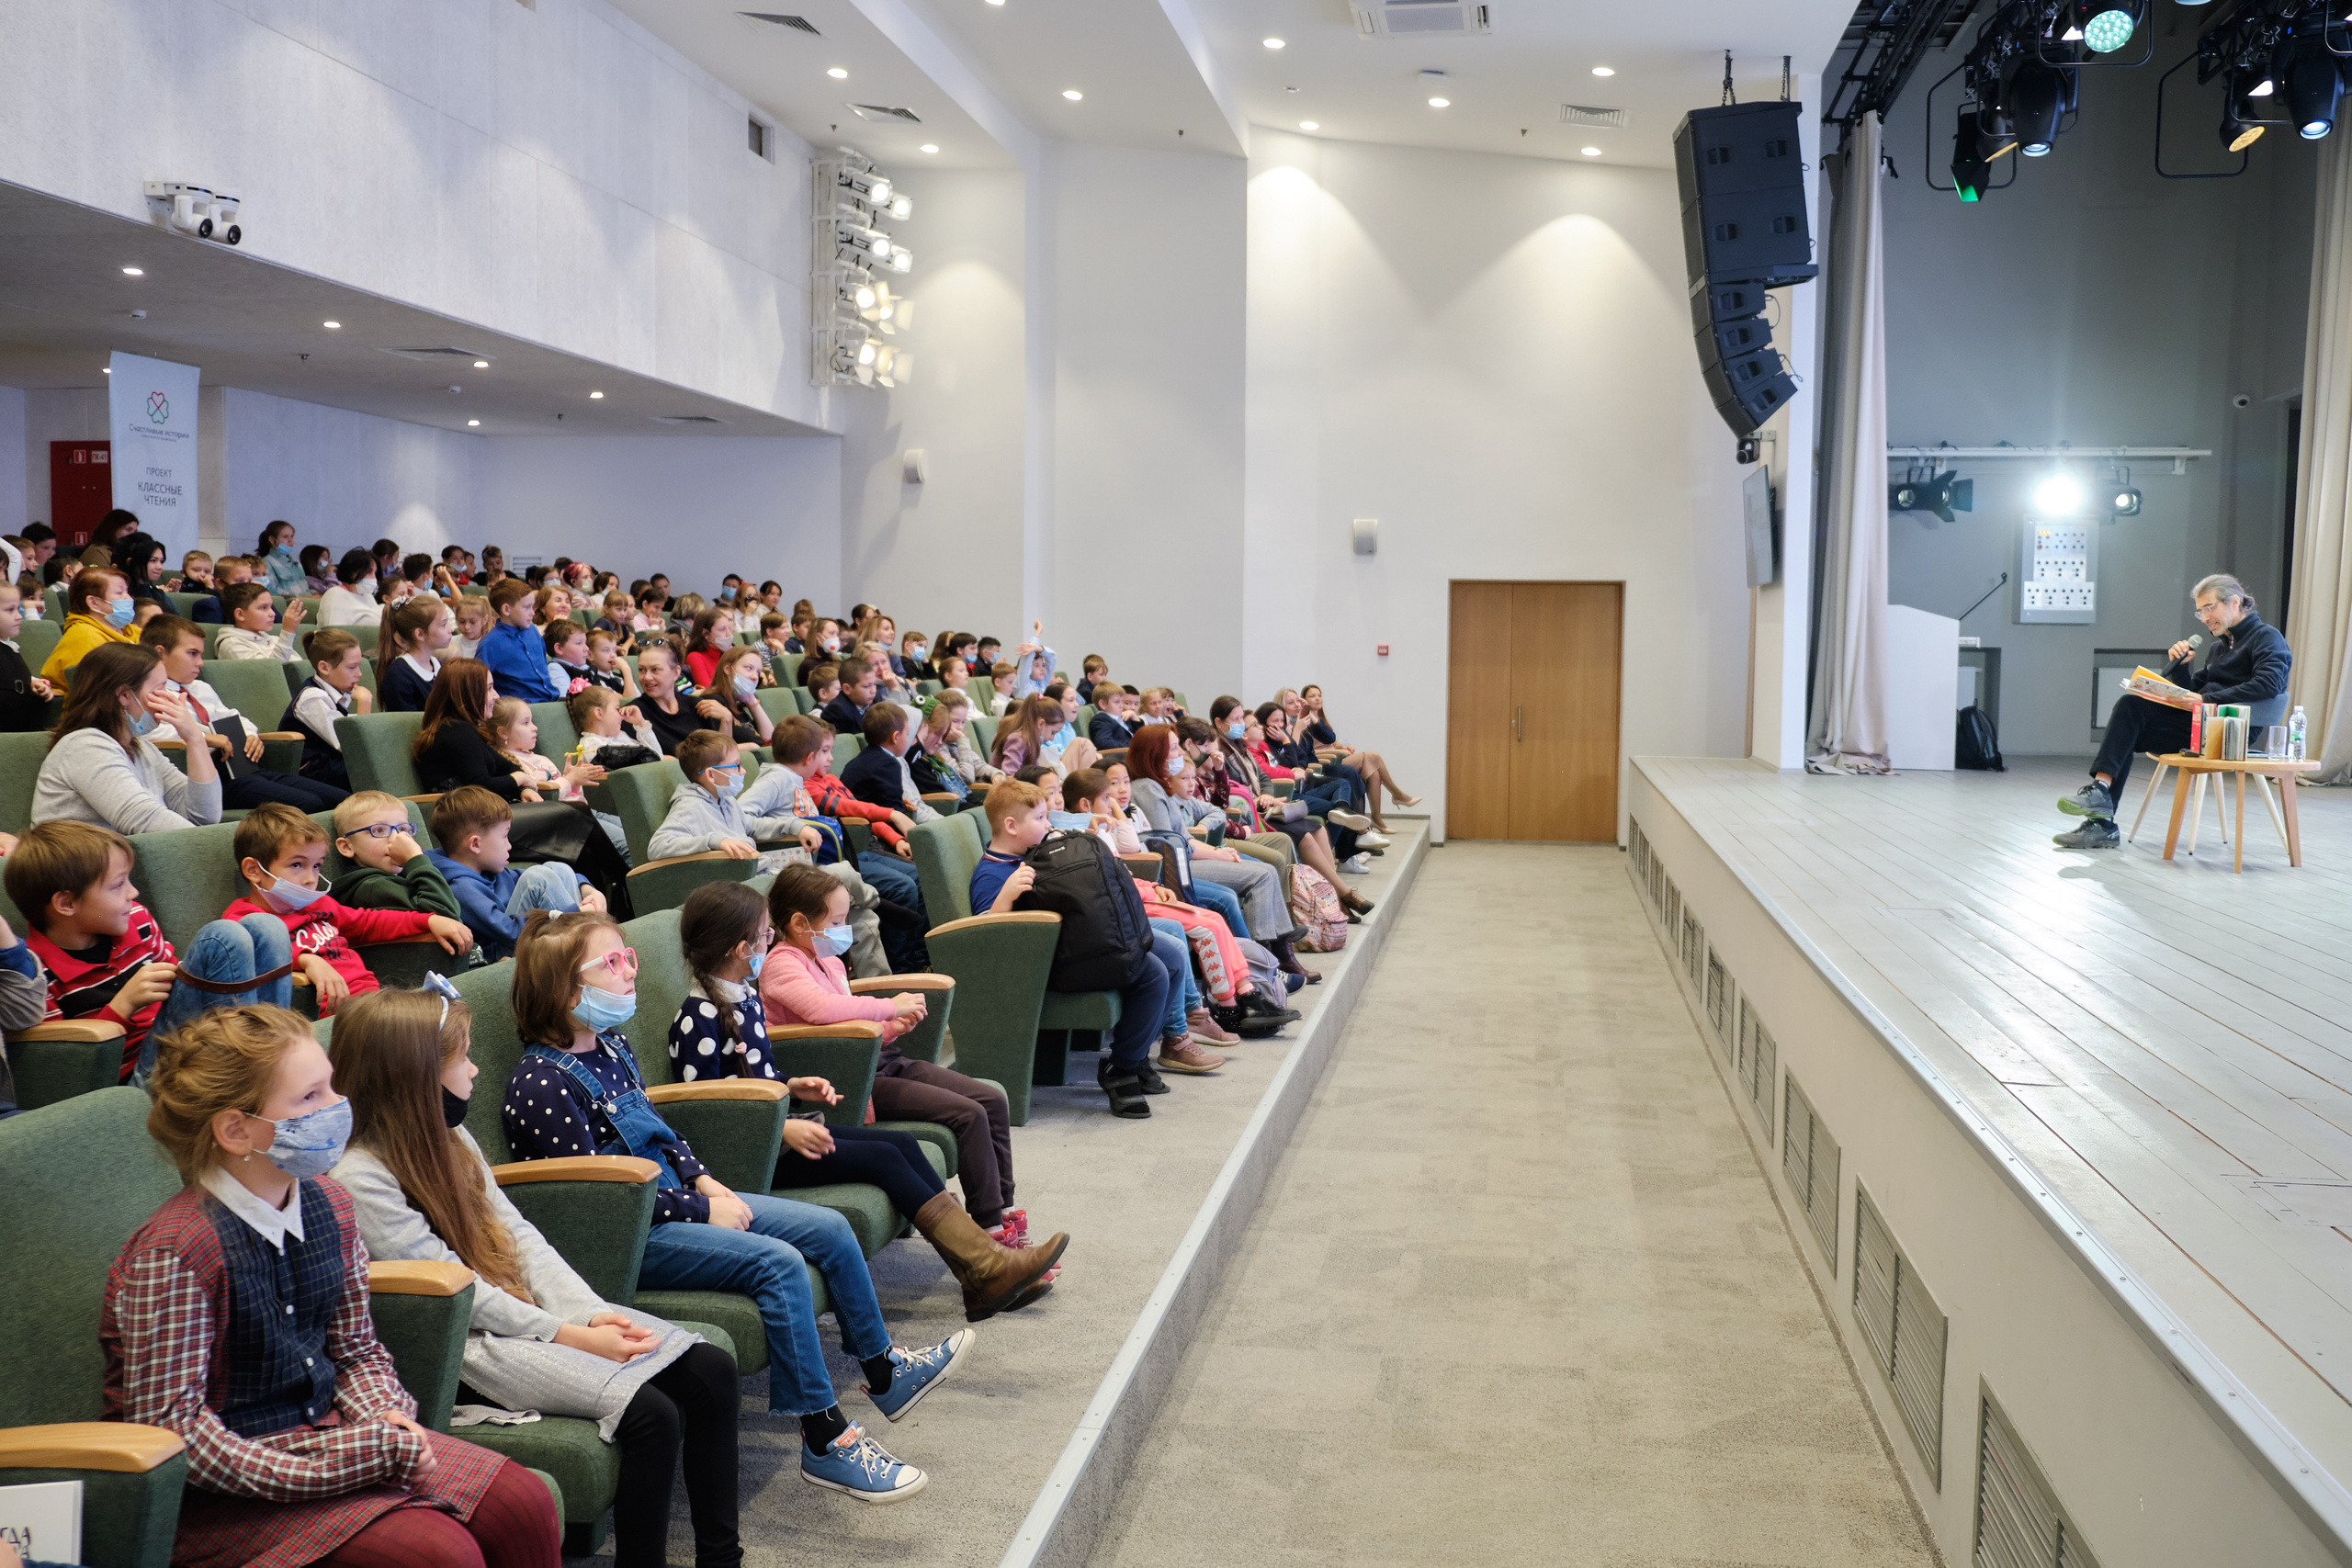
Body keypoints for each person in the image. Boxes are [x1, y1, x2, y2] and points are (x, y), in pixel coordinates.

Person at [501, 908, 967, 1500]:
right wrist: (699, 1212)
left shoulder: (610, 1046)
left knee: (827, 1228)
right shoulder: (540, 1083)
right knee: (778, 1262)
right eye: (612, 963)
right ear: (564, 990)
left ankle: (883, 1369)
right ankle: (825, 1438)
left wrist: (706, 1183)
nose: (629, 973)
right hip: (631, 1235)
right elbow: (589, 1203)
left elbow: (660, 1132)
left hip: (674, 1200)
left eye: (630, 958)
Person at [110, 1004, 562, 1568]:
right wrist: (355, 1459)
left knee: (523, 1502)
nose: (337, 1107)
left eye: (329, 1087)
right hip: (225, 1494)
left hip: (336, 1439)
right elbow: (178, 1437)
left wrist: (385, 1419)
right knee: (439, 1554)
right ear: (236, 1130)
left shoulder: (331, 1205)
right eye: (309, 1098)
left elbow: (356, 1351)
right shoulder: (173, 1253)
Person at [327, 987, 740, 1568]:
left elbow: (518, 1236)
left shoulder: (452, 1137)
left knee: (712, 1370)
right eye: (462, 1058)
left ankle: (722, 1558)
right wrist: (571, 1336)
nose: (474, 1069)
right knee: (651, 1414)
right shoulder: (359, 1176)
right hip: (469, 1345)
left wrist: (588, 1312)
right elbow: (456, 1290)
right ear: (415, 1076)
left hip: (527, 1316)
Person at [672, 879, 1066, 1318]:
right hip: (755, 1154)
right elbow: (704, 1111)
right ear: (738, 948)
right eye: (765, 934)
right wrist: (781, 1125)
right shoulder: (697, 1017)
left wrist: (794, 1083)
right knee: (885, 1158)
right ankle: (985, 1269)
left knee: (900, 1145)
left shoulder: (740, 998)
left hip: (776, 1133)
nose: (771, 941)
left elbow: (754, 1077)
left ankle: (985, 1271)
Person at [7, 820, 297, 1084]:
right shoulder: (36, 971)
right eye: (118, 885)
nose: (133, 893)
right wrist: (123, 1005)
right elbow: (63, 1061)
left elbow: (180, 990)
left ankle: (277, 1055)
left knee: (266, 925)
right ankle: (252, 1074)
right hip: (137, 1075)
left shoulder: (138, 919)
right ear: (66, 904)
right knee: (223, 936)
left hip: (186, 1044)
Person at [970, 778, 1170, 1118]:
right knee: (1153, 974)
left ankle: (1132, 1058)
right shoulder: (992, 873)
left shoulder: (1033, 856)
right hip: (1043, 968)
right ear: (1011, 826)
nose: (1048, 824)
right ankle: (1121, 1070)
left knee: (1169, 958)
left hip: (1073, 950)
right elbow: (981, 939)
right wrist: (1006, 896)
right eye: (1040, 819)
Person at [2054, 572, 2295, 849]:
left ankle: (2101, 817)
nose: (2205, 618)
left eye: (2209, 608)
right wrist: (2181, 668)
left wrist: (2206, 702)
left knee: (2127, 728)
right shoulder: (2219, 648)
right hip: (2201, 723)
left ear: (2235, 602)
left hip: (2231, 731)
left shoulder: (2266, 637)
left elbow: (2270, 683)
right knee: (2130, 707)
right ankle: (2100, 806)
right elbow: (2195, 690)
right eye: (2200, 611)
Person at [221, 804, 471, 1014]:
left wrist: (427, 921)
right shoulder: (244, 919)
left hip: (371, 999)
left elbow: (368, 922)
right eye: (297, 865)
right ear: (254, 870)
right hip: (330, 1017)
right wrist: (306, 961)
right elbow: (255, 960)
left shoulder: (320, 905)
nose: (311, 879)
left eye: (317, 866)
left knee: (450, 1016)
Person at [141, 615, 346, 812]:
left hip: (244, 767)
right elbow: (152, 737)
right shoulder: (149, 694)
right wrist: (207, 739)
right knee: (310, 804)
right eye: (192, 653)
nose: (200, 662)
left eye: (201, 655)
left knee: (342, 800)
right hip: (210, 778)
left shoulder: (200, 688)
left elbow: (235, 718)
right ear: (161, 653)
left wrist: (250, 735)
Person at [32, 641, 222, 833]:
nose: (169, 698)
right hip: (77, 861)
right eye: (160, 688)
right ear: (123, 695)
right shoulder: (84, 746)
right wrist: (216, 847)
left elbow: (204, 816)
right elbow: (142, 819)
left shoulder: (143, 749)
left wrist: (195, 739)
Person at [425, 787, 603, 964]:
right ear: (475, 844)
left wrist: (587, 890)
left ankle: (587, 944)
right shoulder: (461, 888)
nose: (509, 846)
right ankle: (588, 948)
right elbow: (509, 933)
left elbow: (544, 877)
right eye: (504, 837)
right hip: (501, 954)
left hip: (523, 938)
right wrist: (574, 913)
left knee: (557, 868)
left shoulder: (489, 870)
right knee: (538, 877)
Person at [328, 791, 465, 919]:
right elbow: (447, 916)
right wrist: (415, 859)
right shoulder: (372, 887)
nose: (395, 838)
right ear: (347, 847)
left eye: (402, 829)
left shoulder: (406, 874)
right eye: (379, 830)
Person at [279, 628, 372, 792]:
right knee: (372, 768)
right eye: (352, 667)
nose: (359, 674)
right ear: (324, 667)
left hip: (331, 763)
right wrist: (365, 704)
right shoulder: (313, 698)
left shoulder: (337, 692)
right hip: (311, 772)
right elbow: (351, 746)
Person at [41, 565, 138, 684]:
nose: (129, 599)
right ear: (93, 603)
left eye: (127, 591)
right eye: (119, 593)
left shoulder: (132, 631)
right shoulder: (84, 637)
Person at [477, 580, 559, 704]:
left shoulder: (532, 630)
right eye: (526, 607)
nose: (532, 613)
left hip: (551, 699)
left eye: (533, 606)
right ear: (506, 610)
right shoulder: (491, 643)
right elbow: (477, 683)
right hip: (521, 708)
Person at [377, 595, 452, 713]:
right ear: (420, 634)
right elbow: (407, 725)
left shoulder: (441, 666)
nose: (451, 629)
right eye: (443, 625)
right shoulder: (399, 675)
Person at [0, 581, 55, 733]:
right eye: (10, 610)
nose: (18, 616)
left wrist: (33, 684)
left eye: (18, 609)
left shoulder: (9, 647)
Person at [630, 638, 702, 756]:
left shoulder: (698, 706)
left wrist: (726, 720)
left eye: (655, 670)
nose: (647, 677)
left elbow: (723, 754)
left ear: (676, 672)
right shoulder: (633, 714)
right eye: (641, 670)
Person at [694, 645, 775, 748]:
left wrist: (751, 701)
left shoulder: (737, 703)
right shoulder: (713, 702)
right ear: (728, 669)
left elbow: (770, 741)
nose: (755, 677)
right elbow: (718, 750)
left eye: (758, 672)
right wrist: (752, 747)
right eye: (749, 668)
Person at [213, 581, 311, 663]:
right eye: (263, 607)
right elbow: (271, 673)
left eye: (271, 607)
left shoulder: (274, 640)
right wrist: (288, 632)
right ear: (240, 615)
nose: (272, 614)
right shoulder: (232, 645)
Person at [258, 519, 307, 598]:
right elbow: (271, 590)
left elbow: (305, 589)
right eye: (285, 537)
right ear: (272, 540)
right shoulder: (266, 562)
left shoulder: (296, 563)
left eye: (292, 536)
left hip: (306, 603)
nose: (290, 541)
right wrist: (299, 597)